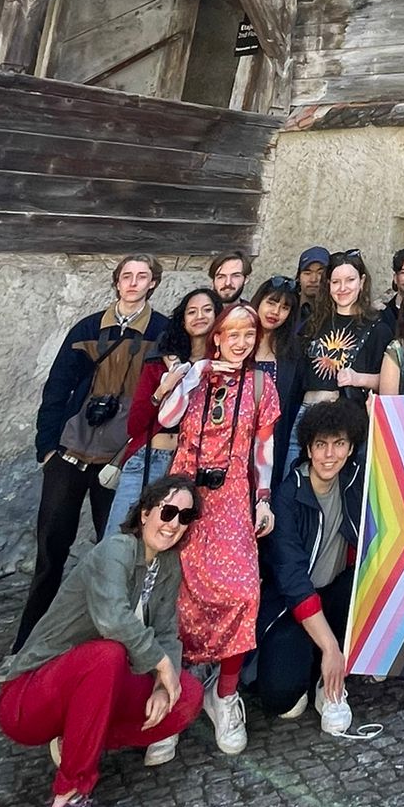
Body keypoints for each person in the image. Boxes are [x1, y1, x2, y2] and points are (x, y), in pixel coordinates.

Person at [0, 474, 205, 807]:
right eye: (167, 511)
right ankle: (66, 804)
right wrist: (160, 663)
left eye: (185, 517)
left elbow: (167, 633)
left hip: (88, 686)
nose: (174, 523)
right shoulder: (116, 550)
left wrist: (164, 684)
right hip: (27, 696)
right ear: (145, 513)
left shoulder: (168, 565)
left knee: (186, 695)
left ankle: (76, 740)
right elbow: (112, 620)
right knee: (108, 654)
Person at [13, 254, 169, 653]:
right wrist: (47, 448)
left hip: (121, 459)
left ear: (153, 283)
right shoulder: (87, 328)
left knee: (115, 555)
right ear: (117, 282)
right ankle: (27, 645)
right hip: (70, 452)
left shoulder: (163, 332)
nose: (133, 283)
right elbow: (57, 387)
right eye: (126, 276)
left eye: (142, 277)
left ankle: (100, 647)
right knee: (50, 553)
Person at [158, 302, 279, 758]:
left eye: (249, 334)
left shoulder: (262, 384)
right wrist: (195, 374)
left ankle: (223, 694)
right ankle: (172, 697)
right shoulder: (195, 375)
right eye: (233, 334)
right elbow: (166, 418)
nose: (241, 342)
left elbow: (263, 447)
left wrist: (263, 498)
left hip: (231, 496)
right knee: (179, 597)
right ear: (217, 337)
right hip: (184, 493)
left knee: (244, 591)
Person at [256, 399, 366, 736]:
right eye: (321, 445)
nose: (330, 455)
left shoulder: (355, 482)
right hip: (293, 605)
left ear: (351, 448)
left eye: (339, 444)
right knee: (281, 699)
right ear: (307, 448)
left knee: (361, 583)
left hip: (338, 595)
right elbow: (292, 580)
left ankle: (328, 685)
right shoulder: (288, 496)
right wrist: (330, 648)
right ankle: (322, 656)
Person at [116, 285, 219, 509]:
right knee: (121, 528)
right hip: (149, 457)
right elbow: (134, 426)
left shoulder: (222, 368)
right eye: (191, 312)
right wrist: (162, 391)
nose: (199, 316)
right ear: (182, 320)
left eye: (207, 310)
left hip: (192, 465)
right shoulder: (160, 361)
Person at [301, 251, 387, 411]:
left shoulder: (378, 328)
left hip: (349, 414)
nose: (342, 288)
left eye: (350, 280)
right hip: (307, 411)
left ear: (362, 282)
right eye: (336, 282)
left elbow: (390, 381)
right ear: (328, 284)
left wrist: (359, 379)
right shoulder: (313, 322)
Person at [251, 275, 306, 478]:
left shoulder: (293, 353)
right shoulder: (238, 343)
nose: (276, 312)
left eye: (284, 307)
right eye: (271, 303)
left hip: (273, 446)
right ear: (259, 302)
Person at [296, 246, 330, 313]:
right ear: (298, 277)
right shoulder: (287, 311)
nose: (313, 279)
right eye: (307, 273)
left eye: (320, 273)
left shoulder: (340, 313)